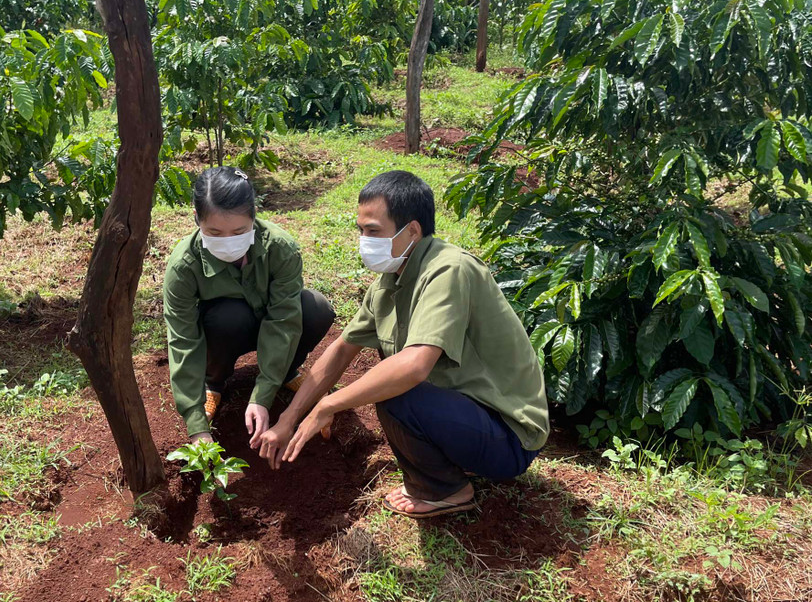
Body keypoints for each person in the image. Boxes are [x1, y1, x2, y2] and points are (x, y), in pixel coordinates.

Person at [257, 170, 549, 519]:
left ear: (412, 230)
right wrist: (289, 418)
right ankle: (453, 462)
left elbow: (414, 366)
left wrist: (328, 405)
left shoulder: (448, 270)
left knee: (395, 388)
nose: (364, 241)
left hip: (510, 436)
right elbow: (341, 350)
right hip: (471, 415)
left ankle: (448, 490)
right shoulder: (391, 280)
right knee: (391, 380)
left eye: (374, 231)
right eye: (361, 231)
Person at [163, 166, 335, 448]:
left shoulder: (280, 248)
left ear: (254, 216)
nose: (228, 241)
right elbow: (183, 341)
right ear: (197, 220)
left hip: (269, 319)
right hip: (226, 331)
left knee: (314, 309)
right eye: (214, 232)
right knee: (227, 317)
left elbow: (283, 319)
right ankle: (214, 382)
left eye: (239, 231)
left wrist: (262, 396)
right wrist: (196, 427)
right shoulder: (184, 266)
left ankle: (285, 371)